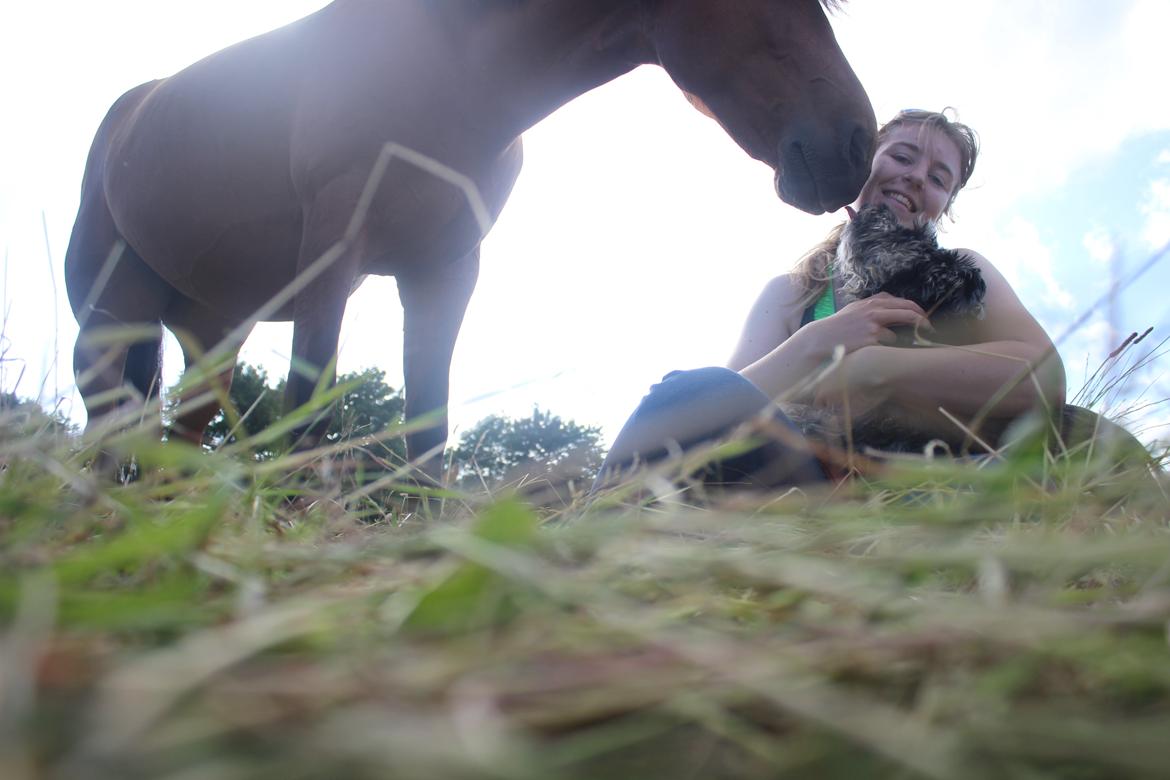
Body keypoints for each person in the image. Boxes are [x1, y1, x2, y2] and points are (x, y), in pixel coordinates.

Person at [594, 109, 1066, 491]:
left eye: (940, 178)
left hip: (925, 486)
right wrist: (816, 342)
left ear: (945, 206)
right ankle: (584, 556)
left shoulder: (966, 272)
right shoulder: (793, 294)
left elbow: (1044, 378)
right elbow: (714, 405)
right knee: (684, 391)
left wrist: (872, 368)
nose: (918, 177)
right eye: (903, 157)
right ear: (865, 162)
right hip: (805, 485)